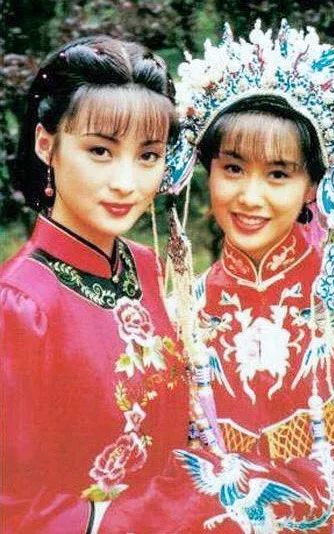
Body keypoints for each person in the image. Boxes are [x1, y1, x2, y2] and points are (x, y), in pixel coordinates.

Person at [161, 20, 334, 533]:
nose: (250, 197)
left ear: (313, 184)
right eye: (232, 168)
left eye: (278, 173)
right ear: (208, 171)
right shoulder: (178, 314)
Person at [0, 36, 190, 533]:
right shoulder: (20, 305)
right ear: (46, 144)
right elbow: (12, 506)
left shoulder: (149, 268)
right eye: (100, 151)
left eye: (148, 156)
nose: (127, 182)